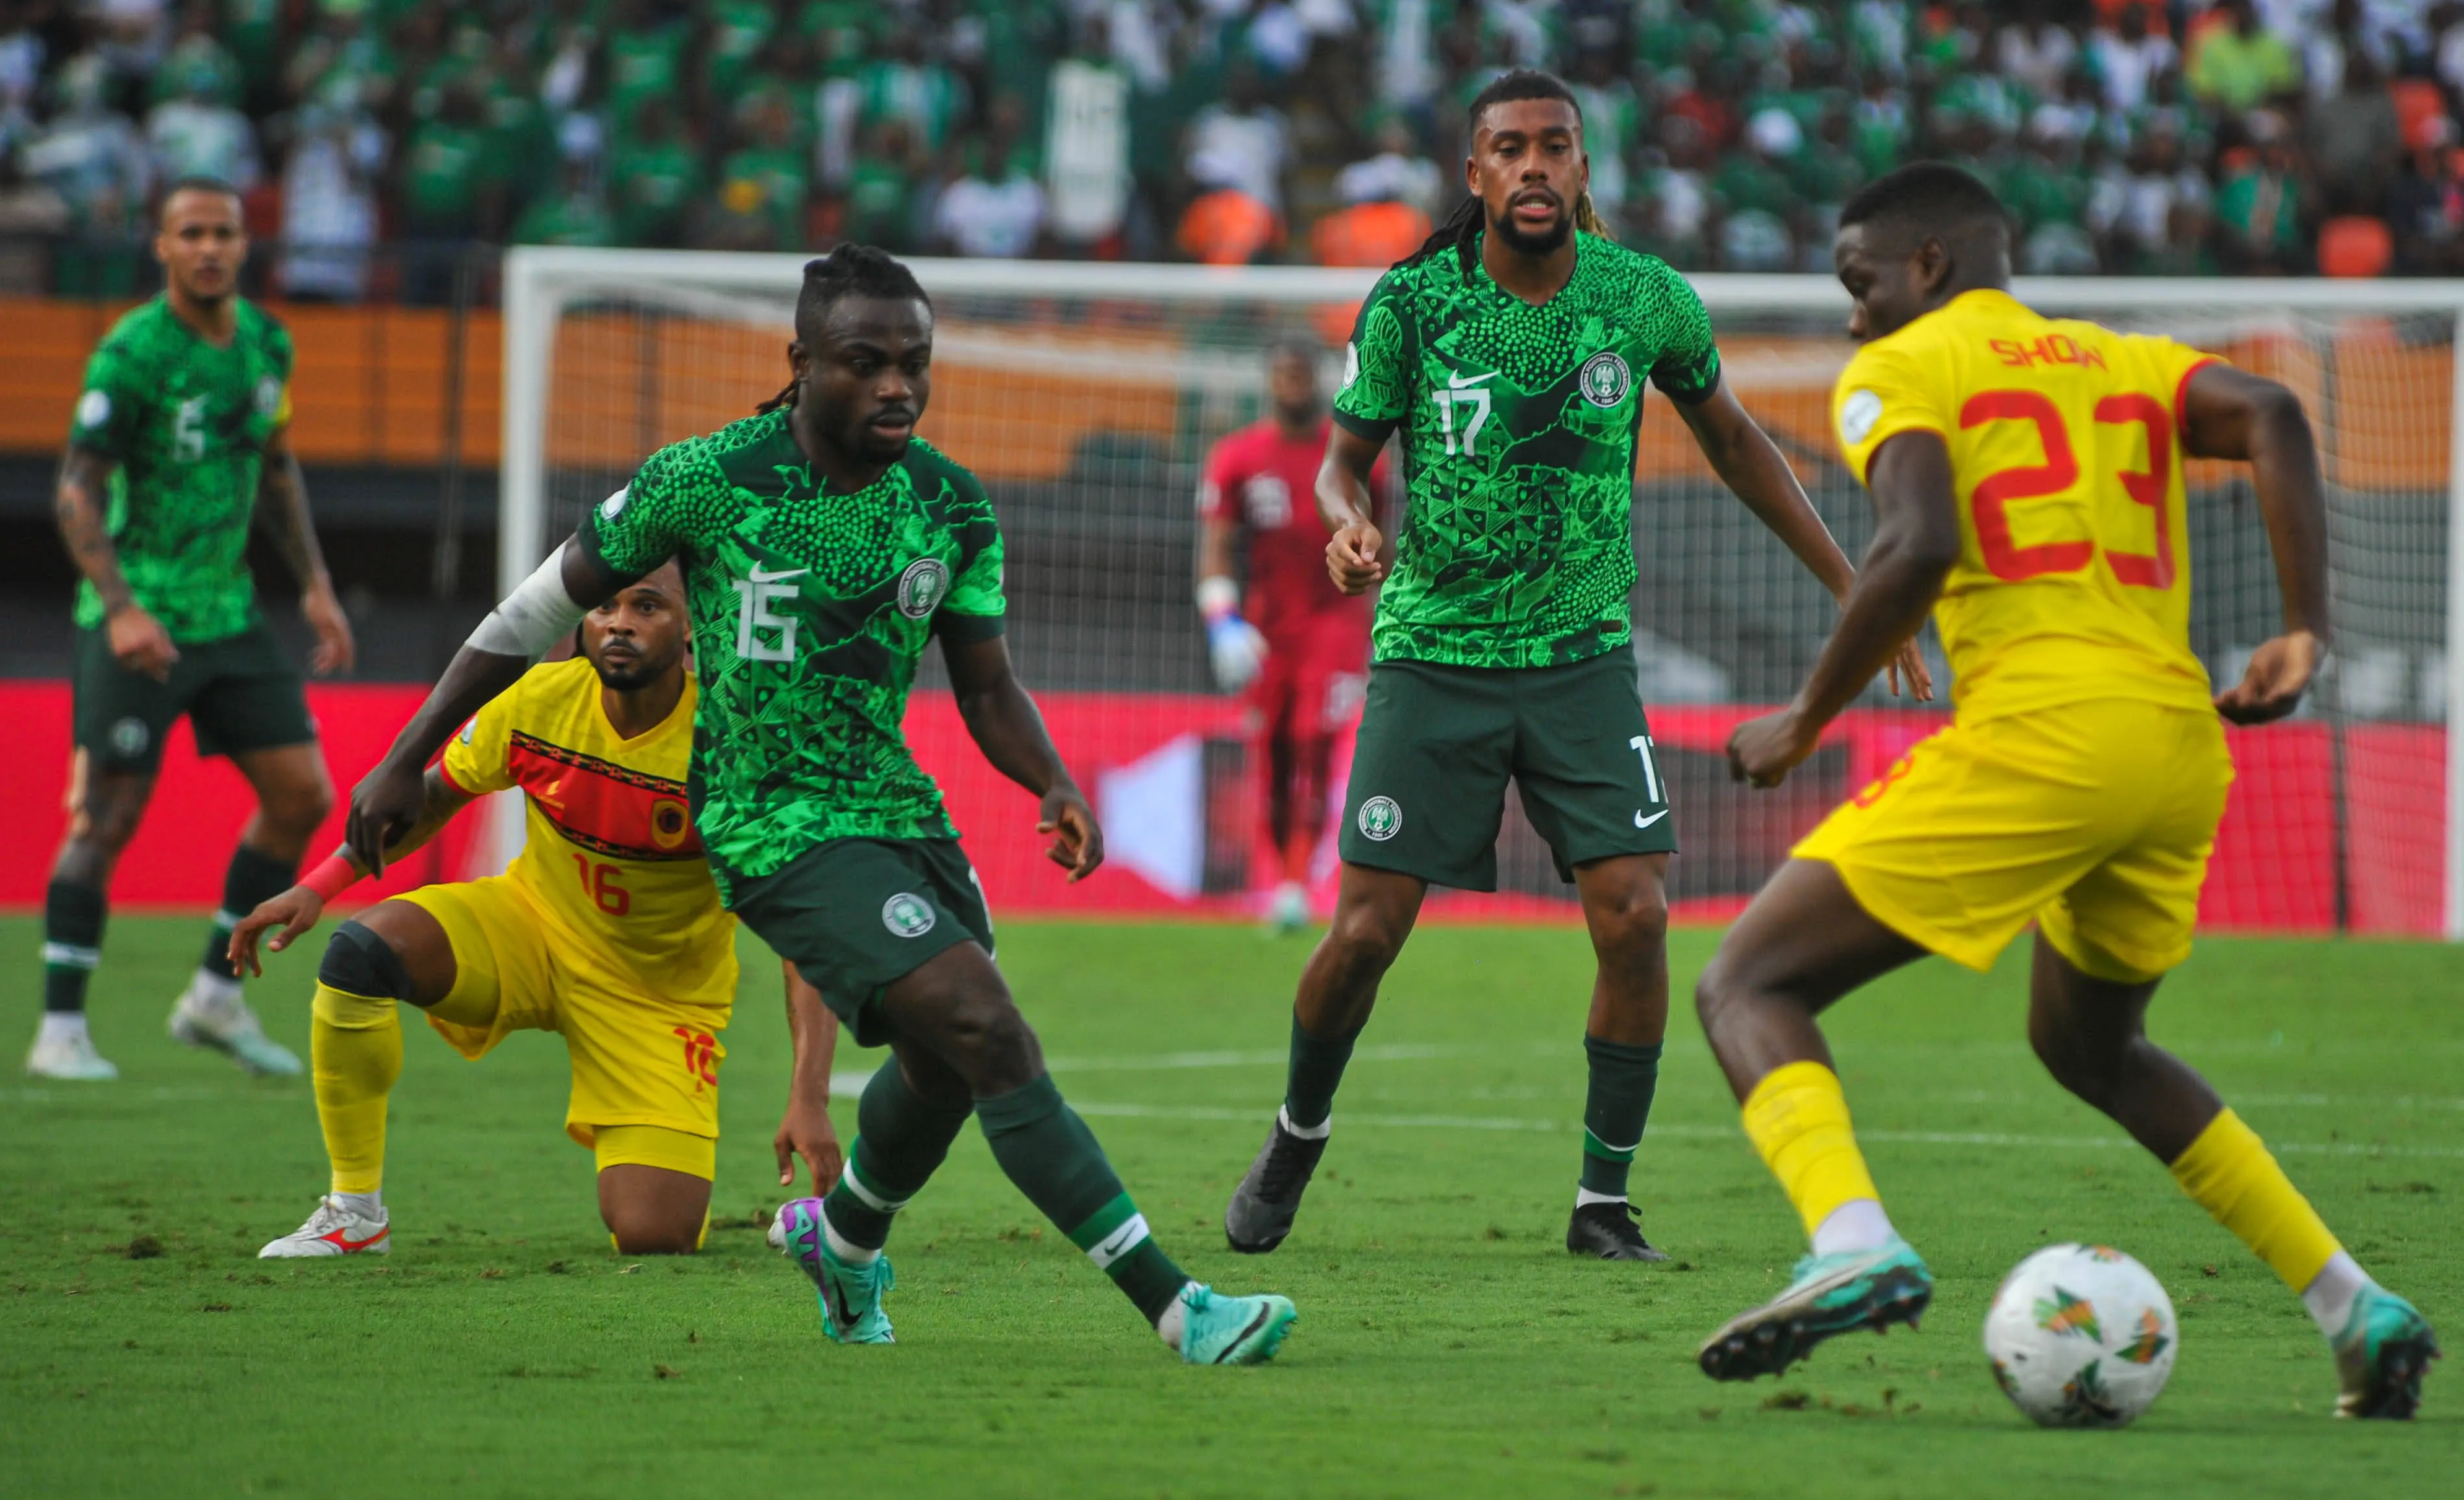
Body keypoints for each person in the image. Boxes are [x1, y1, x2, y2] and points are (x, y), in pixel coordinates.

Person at [340, 245, 1296, 1366]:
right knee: (988, 1027)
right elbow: (528, 614)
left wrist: (1049, 779)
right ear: (801, 365)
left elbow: (985, 682)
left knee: (942, 1063)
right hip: (768, 819)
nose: (898, 385)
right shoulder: (704, 479)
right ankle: (1181, 1309)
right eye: (866, 361)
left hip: (895, 810)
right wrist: (408, 757)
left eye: (914, 363)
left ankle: (842, 1248)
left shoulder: (947, 503)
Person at [1690, 163, 2439, 1420]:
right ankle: (2351, 1306)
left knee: (1744, 983)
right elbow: (2272, 415)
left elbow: (1914, 542)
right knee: (2089, 1043)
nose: (1851, 316)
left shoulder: (1902, 370)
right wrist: (2303, 629)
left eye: (1858, 282)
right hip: (2173, 745)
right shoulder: (2121, 361)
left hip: (2043, 736)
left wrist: (1803, 718)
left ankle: (1852, 1238)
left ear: (1926, 267)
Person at [1221, 69, 1928, 1266]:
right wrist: (1347, 517)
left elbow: (1740, 445)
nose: (1536, 167)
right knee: (1362, 938)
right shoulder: (1411, 304)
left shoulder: (1642, 299)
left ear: (1584, 168)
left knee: (1637, 916)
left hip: (1582, 662)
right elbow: (1343, 460)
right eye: (1511, 148)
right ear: (1476, 174)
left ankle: (1604, 1200)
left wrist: (1856, 587)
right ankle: (1297, 1130)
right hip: (1433, 657)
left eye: (1557, 147)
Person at [231, 563, 835, 1257]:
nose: (619, 623)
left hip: (658, 997)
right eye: (604, 605)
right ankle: (354, 1212)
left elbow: (804, 936)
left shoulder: (734, 746)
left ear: (694, 620)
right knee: (361, 951)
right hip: (531, 930)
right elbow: (430, 800)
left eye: (647, 606)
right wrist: (319, 885)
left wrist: (807, 1095)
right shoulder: (539, 699)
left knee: (653, 1234)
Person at [31, 178, 354, 1082]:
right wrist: (123, 606)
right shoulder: (132, 352)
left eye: (224, 232)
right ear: (161, 247)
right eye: (190, 233)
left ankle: (214, 997)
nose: (209, 247)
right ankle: (60, 1030)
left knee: (302, 795)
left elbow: (277, 466)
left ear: (246, 244)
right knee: (110, 813)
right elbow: (75, 489)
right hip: (139, 614)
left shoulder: (266, 342)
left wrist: (316, 586)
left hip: (231, 611)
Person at [1196, 340, 1386, 933]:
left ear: (1319, 380)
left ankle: (1301, 882)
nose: (1293, 386)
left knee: (1315, 743)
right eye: (1284, 376)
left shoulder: (1359, 461)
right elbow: (1217, 551)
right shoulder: (1237, 458)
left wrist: (1384, 625)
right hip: (1267, 631)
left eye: (1302, 375)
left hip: (1335, 623)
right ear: (1269, 382)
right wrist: (1223, 623)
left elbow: (1384, 544)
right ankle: (1281, 879)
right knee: (1273, 749)